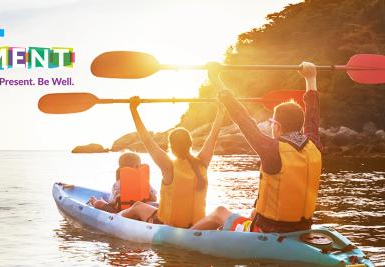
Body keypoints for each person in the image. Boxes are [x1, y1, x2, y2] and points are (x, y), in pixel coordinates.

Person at [191, 62, 322, 233]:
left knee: (219, 212)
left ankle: (183, 239)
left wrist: (215, 79)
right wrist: (311, 78)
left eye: (272, 122)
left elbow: (242, 118)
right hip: (302, 228)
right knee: (253, 212)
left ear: (278, 126)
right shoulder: (314, 145)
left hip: (266, 231)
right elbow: (312, 116)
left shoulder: (271, 149)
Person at [118, 95, 226, 228]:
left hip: (169, 227)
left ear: (171, 147)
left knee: (138, 206)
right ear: (190, 144)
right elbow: (213, 136)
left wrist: (133, 109)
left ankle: (115, 218)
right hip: (198, 225)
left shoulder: (168, 166)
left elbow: (146, 140)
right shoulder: (202, 162)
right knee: (148, 206)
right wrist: (221, 110)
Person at [88, 152, 158, 213]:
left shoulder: (118, 184)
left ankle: (94, 201)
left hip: (119, 212)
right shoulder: (145, 183)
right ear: (137, 166)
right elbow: (154, 199)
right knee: (154, 205)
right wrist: (148, 195)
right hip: (141, 210)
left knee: (99, 203)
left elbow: (111, 201)